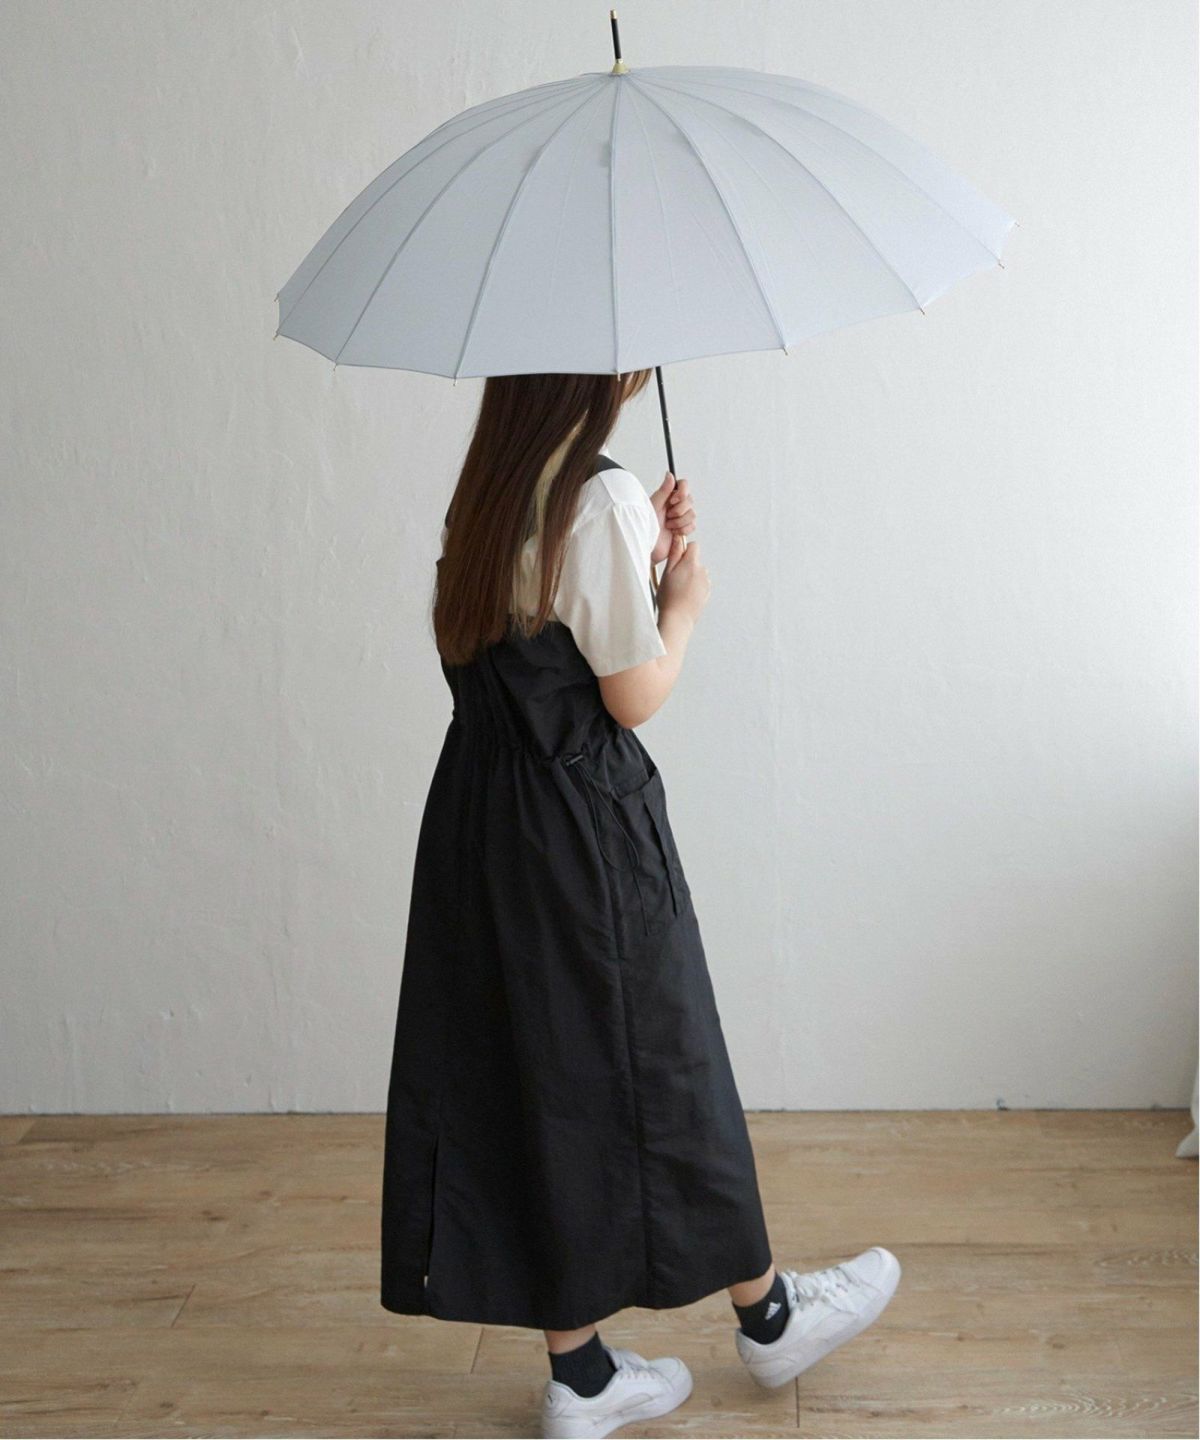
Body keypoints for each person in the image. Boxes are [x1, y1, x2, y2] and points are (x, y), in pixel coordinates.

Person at [380, 369, 901, 1439]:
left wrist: (638, 559)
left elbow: (531, 645)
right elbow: (632, 694)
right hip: (581, 826)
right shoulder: (602, 495)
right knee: (666, 1055)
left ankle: (579, 1373)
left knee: (534, 1074)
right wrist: (681, 604)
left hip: (482, 818)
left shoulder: (491, 489)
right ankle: (768, 1318)